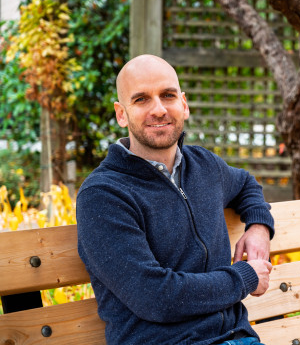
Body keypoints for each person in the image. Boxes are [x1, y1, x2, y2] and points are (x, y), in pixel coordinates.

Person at [76, 54, 274, 345]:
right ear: (121, 114)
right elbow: (154, 297)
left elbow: (246, 184)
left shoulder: (205, 166)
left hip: (238, 338)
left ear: (183, 104)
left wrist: (259, 227)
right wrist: (244, 277)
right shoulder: (104, 194)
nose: (158, 109)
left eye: (167, 95)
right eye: (141, 99)